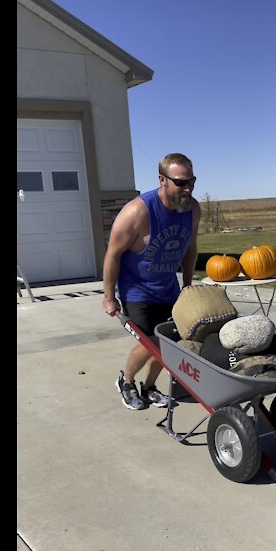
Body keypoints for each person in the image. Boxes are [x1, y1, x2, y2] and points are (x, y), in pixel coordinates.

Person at [101, 153, 201, 410]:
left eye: (191, 181)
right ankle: (126, 380)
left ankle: (149, 387)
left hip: (168, 289)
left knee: (169, 344)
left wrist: (187, 286)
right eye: (181, 182)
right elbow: (113, 253)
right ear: (162, 180)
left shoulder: (192, 209)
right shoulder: (137, 211)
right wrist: (109, 297)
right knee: (150, 343)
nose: (187, 188)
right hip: (137, 291)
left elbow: (191, 247)